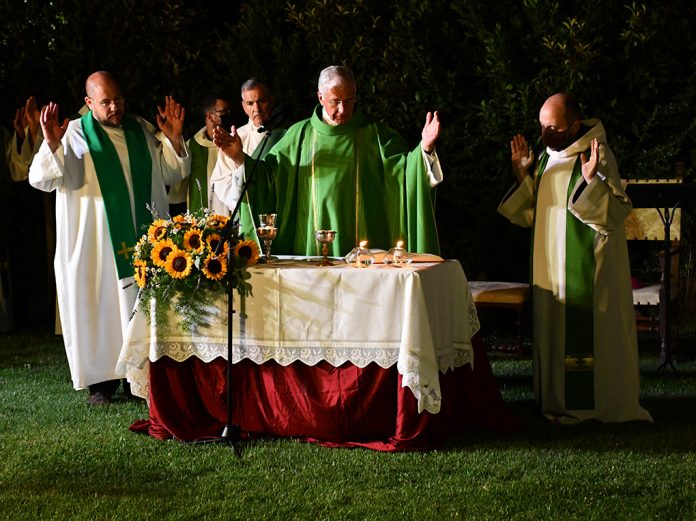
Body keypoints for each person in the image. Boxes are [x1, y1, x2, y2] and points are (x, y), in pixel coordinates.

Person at [28, 71, 190, 405]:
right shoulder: (72, 133)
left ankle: (143, 377)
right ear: (89, 103)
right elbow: (40, 179)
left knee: (141, 305)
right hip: (95, 247)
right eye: (105, 102)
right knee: (100, 306)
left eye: (118, 99)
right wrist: (52, 144)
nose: (114, 107)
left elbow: (173, 177)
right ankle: (101, 383)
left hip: (145, 240)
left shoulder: (141, 129)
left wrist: (173, 140)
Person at [498, 92, 652, 423]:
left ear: (574, 126)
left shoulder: (596, 153)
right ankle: (552, 399)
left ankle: (588, 405)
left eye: (552, 127)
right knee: (553, 333)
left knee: (583, 337)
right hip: (550, 271)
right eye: (541, 126)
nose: (544, 134)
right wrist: (522, 176)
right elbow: (536, 214)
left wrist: (591, 180)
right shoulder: (545, 157)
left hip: (586, 271)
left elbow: (614, 212)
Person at [211, 65, 442, 255]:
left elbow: (405, 173)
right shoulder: (298, 136)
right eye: (335, 101)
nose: (342, 109)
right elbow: (267, 178)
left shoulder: (376, 136)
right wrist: (239, 157)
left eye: (349, 101)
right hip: (310, 251)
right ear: (320, 97)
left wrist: (424, 149)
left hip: (366, 254)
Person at [208, 79, 285, 239]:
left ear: (270, 101)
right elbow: (221, 180)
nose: (256, 108)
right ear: (244, 106)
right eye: (250, 103)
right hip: (246, 220)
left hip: (281, 219)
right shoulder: (235, 138)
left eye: (261, 101)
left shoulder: (287, 136)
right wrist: (241, 198)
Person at [168, 95, 233, 214]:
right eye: (223, 112)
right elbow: (178, 185)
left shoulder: (234, 142)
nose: (227, 115)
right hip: (201, 217)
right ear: (209, 116)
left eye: (228, 112)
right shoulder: (191, 147)